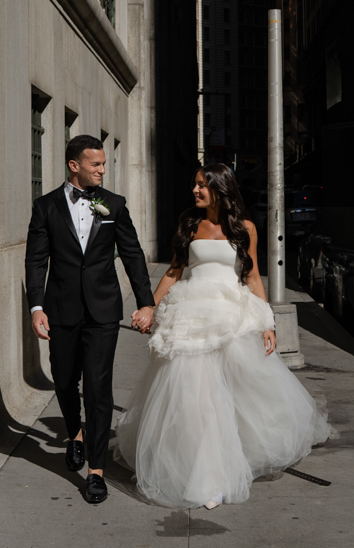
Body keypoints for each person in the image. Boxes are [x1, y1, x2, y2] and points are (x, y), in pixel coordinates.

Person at [115, 163, 330, 509]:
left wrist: (267, 322)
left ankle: (221, 470)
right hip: (191, 318)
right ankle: (206, 476)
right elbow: (173, 272)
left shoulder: (244, 228)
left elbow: (254, 277)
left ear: (220, 188)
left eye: (202, 185)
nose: (195, 191)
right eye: (194, 185)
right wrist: (149, 307)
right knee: (195, 402)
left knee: (230, 400)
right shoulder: (189, 224)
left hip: (231, 318)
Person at [25, 134, 155, 504]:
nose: (102, 169)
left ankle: (95, 470)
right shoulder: (45, 207)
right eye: (95, 164)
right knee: (65, 381)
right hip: (61, 309)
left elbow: (132, 254)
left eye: (103, 163)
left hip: (103, 312)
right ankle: (75, 434)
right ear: (74, 165)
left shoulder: (113, 204)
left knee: (99, 389)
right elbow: (36, 260)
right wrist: (37, 308)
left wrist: (146, 302)